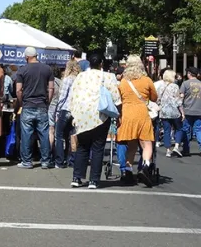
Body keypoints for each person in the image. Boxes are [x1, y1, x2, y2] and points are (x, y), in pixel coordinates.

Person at [70, 54, 121, 189]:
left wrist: (73, 113)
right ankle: (93, 180)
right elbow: (116, 97)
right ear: (101, 64)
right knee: (98, 148)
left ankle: (77, 177)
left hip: (82, 115)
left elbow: (73, 94)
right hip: (100, 115)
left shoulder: (80, 76)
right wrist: (119, 112)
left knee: (82, 146)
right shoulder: (108, 77)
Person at [117, 55, 157, 187]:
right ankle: (145, 166)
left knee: (131, 144)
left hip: (128, 114)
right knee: (147, 143)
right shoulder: (146, 80)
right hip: (141, 113)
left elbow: (120, 98)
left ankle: (128, 170)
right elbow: (154, 97)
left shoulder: (123, 81)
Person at [16, 47, 54, 169]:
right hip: (42, 105)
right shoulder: (47, 69)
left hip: (27, 105)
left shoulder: (22, 70)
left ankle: (27, 161)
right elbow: (51, 88)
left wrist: (22, 103)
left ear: (27, 57)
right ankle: (45, 161)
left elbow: (18, 90)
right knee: (44, 134)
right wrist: (48, 101)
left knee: (26, 134)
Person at [54, 59, 81, 168]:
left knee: (59, 135)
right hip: (76, 110)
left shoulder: (67, 80)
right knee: (72, 136)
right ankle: (71, 160)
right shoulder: (80, 80)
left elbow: (62, 97)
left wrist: (57, 111)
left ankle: (60, 161)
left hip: (66, 109)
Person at [157, 69, 184, 158]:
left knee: (167, 130)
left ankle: (168, 150)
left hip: (164, 111)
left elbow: (158, 99)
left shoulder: (160, 87)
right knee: (179, 128)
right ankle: (176, 146)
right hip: (174, 111)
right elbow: (178, 101)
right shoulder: (175, 86)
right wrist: (182, 112)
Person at [180, 67, 201, 155]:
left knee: (186, 130)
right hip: (199, 110)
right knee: (199, 130)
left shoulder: (185, 84)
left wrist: (180, 110)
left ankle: (186, 149)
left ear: (189, 73)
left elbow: (181, 97)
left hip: (187, 110)